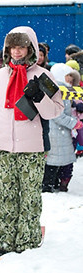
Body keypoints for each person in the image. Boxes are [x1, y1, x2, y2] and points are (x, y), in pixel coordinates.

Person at [0, 26, 64, 256]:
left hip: (32, 148)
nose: (16, 52)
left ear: (31, 49)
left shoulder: (43, 76)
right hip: (3, 147)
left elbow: (55, 111)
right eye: (12, 47)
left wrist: (38, 97)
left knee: (29, 198)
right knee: (6, 196)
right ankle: (6, 242)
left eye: (21, 47)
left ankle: (27, 244)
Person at [42, 63, 81, 193]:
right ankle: (48, 186)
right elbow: (57, 114)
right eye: (68, 76)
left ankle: (52, 184)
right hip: (56, 133)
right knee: (53, 162)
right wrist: (73, 122)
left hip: (57, 132)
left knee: (55, 161)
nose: (70, 79)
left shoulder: (58, 89)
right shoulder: (59, 90)